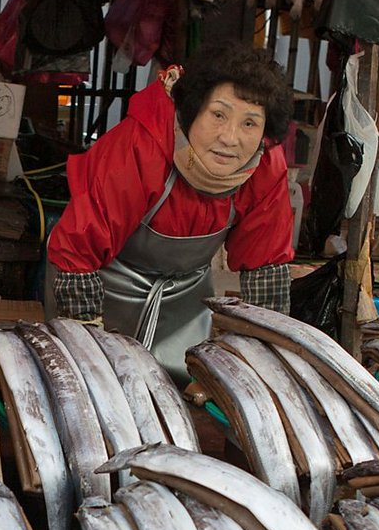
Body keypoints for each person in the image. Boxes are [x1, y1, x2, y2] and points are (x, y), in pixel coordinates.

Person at [47, 40, 296, 376]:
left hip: (186, 299)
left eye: (250, 123)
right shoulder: (142, 146)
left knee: (180, 396)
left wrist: (266, 361)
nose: (230, 137)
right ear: (192, 110)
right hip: (101, 286)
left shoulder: (265, 166)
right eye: (218, 115)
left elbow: (265, 265)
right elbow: (79, 250)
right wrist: (88, 350)